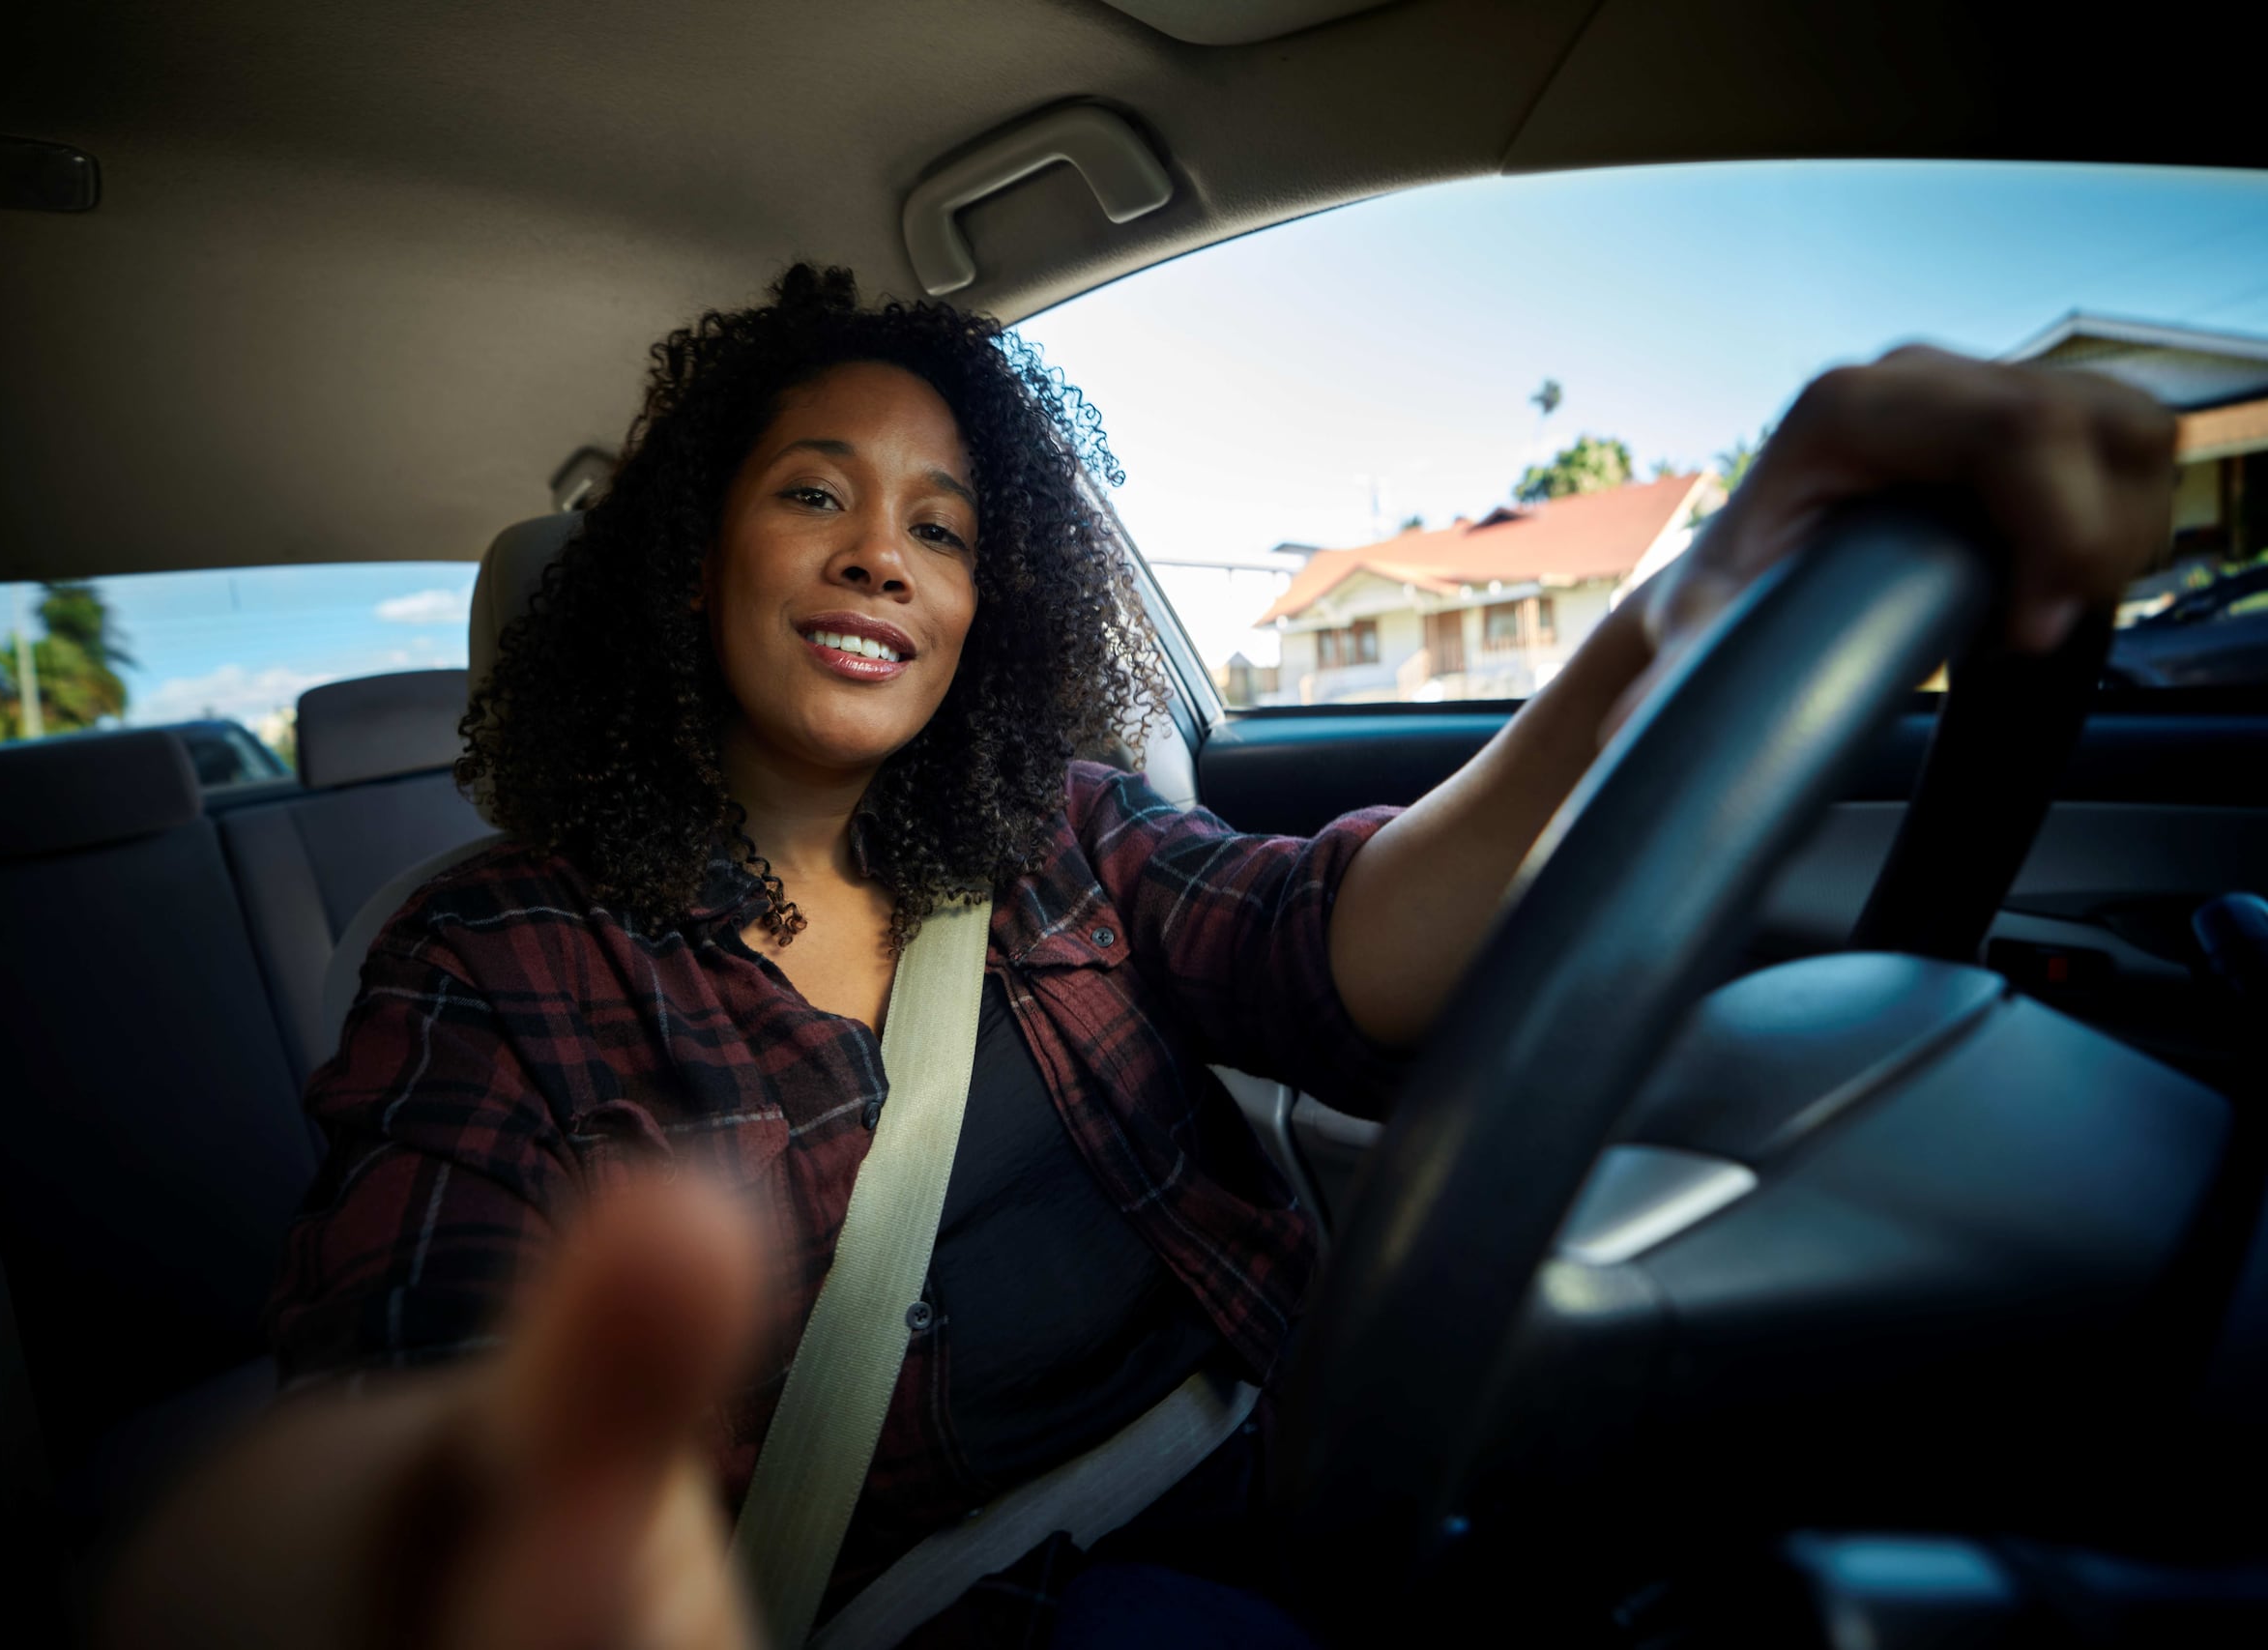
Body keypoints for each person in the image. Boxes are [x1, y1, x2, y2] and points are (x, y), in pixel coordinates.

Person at [105, 264, 2176, 1650]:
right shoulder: (496, 957)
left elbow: (1337, 938)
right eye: (810, 493)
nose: (877, 556)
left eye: (940, 526)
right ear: (679, 564)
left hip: (1319, 1446)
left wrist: (1680, 606)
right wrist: (456, 1511)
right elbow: (428, 1357)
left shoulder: (1050, 834)